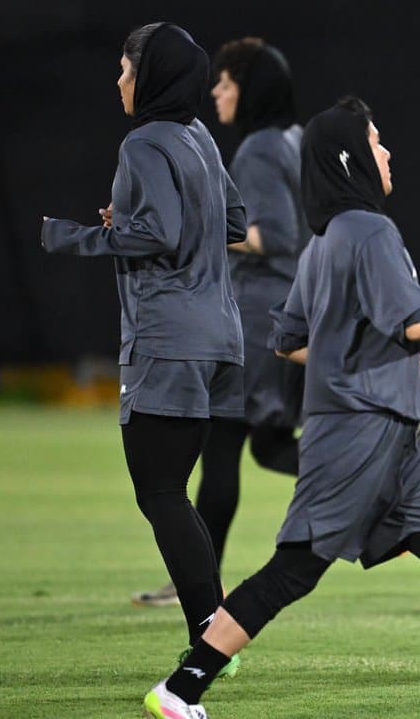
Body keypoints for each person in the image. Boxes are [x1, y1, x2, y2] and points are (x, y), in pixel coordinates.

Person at [144, 97, 420, 719]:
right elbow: (418, 321)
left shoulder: (324, 242)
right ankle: (180, 689)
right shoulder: (370, 231)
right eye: (376, 142)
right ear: (350, 160)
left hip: (394, 437)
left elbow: (287, 340)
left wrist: (372, 355)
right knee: (296, 569)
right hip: (356, 435)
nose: (387, 152)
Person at [41, 21, 244, 675]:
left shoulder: (143, 142)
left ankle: (214, 639)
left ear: (152, 76)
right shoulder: (198, 136)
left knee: (160, 492)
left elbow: (155, 235)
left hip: (169, 340)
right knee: (172, 490)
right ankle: (213, 632)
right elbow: (233, 224)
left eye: (128, 69)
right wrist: (130, 223)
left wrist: (68, 236)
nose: (120, 80)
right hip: (221, 338)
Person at [132, 36, 309, 608]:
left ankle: (197, 586)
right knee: (269, 445)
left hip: (259, 316)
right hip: (292, 309)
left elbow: (275, 236)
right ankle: (380, 493)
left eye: (227, 82)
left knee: (225, 448)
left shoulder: (258, 148)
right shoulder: (295, 140)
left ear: (249, 89)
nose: (216, 91)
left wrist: (195, 229)